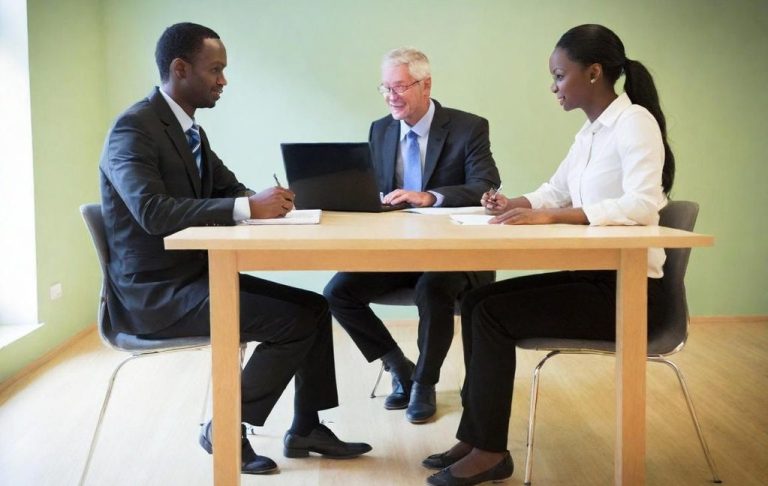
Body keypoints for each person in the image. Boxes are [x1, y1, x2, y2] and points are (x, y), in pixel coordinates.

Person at [99, 22, 371, 475]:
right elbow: (152, 211)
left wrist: (272, 202)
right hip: (155, 294)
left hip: (197, 277)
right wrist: (247, 206)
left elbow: (231, 190)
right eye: (216, 70)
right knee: (293, 322)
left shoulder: (191, 133)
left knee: (316, 308)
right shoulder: (134, 129)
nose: (223, 81)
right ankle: (224, 427)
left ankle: (306, 427)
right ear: (180, 69)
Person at [423, 24, 675, 485]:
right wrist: (515, 202)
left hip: (632, 293)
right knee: (479, 302)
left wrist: (557, 217)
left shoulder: (634, 122)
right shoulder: (590, 132)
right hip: (596, 280)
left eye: (560, 75)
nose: (553, 86)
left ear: (594, 72)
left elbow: (645, 204)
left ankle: (490, 452)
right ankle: (478, 436)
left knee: (491, 314)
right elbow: (555, 190)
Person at [323, 47, 500, 424]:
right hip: (399, 252)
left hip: (456, 256)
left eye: (400, 87)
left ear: (426, 85)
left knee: (432, 288)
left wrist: (430, 196)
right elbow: (373, 188)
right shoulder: (380, 129)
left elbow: (486, 184)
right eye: (385, 88)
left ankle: (424, 382)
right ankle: (397, 365)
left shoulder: (468, 127)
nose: (391, 97)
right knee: (337, 293)